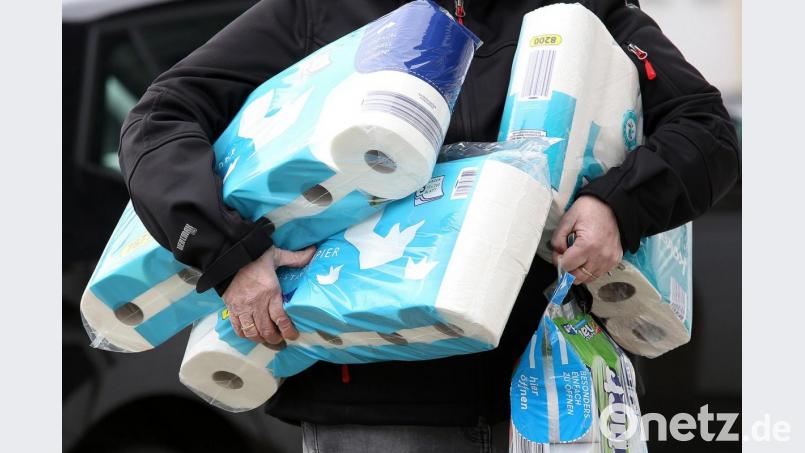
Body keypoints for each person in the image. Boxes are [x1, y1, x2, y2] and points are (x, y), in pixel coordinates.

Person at [117, 0, 740, 451]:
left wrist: (617, 205)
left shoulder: (581, 10)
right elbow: (162, 116)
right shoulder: (319, 10)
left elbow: (704, 127)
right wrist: (228, 251)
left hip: (550, 399)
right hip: (377, 410)